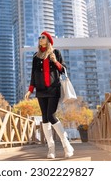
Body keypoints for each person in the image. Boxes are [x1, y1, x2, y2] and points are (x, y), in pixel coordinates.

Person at [24, 31, 74, 159]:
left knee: (51, 115)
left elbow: (63, 70)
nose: (40, 39)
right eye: (39, 37)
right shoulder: (36, 57)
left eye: (43, 37)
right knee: (44, 118)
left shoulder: (55, 53)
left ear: (48, 40)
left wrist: (56, 62)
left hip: (54, 89)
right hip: (40, 91)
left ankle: (66, 144)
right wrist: (30, 90)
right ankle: (51, 148)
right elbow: (33, 75)